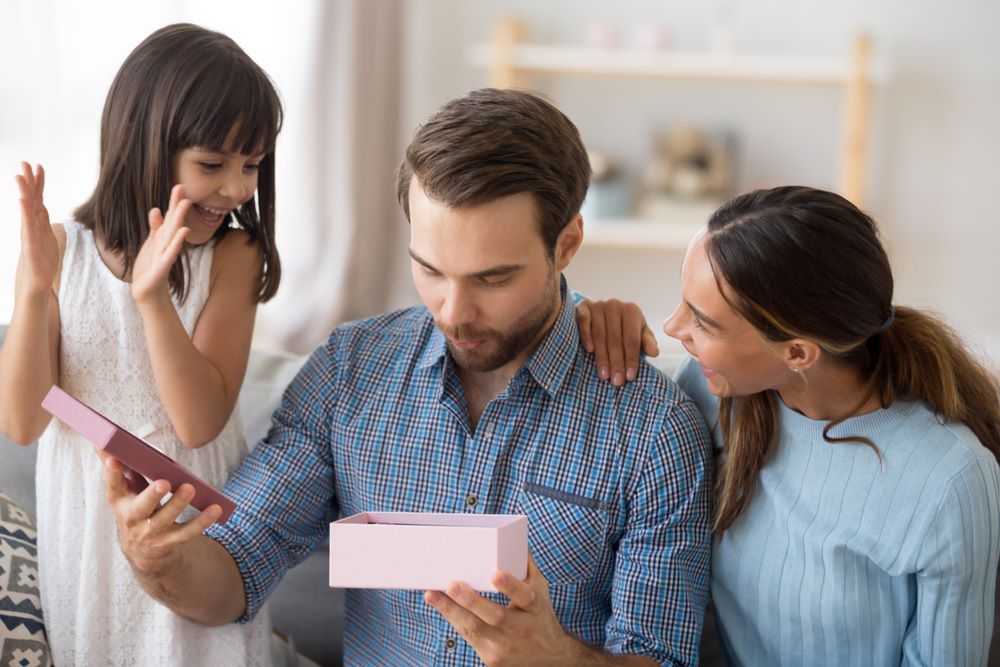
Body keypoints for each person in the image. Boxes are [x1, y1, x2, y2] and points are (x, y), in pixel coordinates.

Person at [100, 88, 715, 665]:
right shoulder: (350, 372)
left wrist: (560, 659)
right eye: (430, 270)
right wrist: (158, 559)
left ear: (567, 243)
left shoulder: (652, 429)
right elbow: (233, 574)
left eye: (492, 278)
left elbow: (660, 653)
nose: (453, 311)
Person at [581, 185, 1000, 666]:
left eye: (703, 321)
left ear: (798, 353)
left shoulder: (950, 479)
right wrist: (594, 319)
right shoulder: (711, 391)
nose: (674, 327)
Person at [0, 23, 282, 666]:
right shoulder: (63, 250)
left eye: (253, 165)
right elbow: (20, 422)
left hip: (191, 528)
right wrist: (35, 290)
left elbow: (198, 420)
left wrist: (152, 301)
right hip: (89, 532)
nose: (238, 189)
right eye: (213, 165)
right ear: (145, 146)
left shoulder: (234, 256)